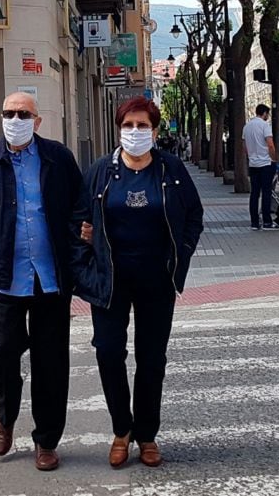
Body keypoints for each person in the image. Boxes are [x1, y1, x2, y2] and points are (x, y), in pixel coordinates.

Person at [72, 96, 203, 469]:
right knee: (108, 353)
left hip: (156, 281)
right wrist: (85, 259)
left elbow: (193, 215)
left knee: (151, 360)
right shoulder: (100, 171)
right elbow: (77, 221)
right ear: (119, 129)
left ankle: (146, 435)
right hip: (109, 281)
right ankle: (121, 430)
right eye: (128, 126)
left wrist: (182, 255)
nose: (134, 132)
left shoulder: (172, 169)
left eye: (142, 126)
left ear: (155, 130)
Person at [0, 91, 83, 473]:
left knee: (51, 362)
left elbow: (80, 207)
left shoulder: (58, 158)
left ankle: (46, 440)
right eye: (9, 113)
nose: (15, 119)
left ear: (37, 121)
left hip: (50, 280)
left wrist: (80, 247)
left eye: (23, 113)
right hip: (4, 280)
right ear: (1, 117)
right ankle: (6, 417)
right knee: (3, 354)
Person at [242, 104, 279, 230]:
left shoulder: (247, 127)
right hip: (265, 163)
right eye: (267, 114)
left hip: (253, 163)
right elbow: (270, 144)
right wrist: (274, 158)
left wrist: (251, 156)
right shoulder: (264, 126)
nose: (268, 117)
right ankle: (267, 222)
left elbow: (245, 147)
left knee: (254, 193)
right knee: (266, 193)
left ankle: (254, 222)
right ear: (264, 113)